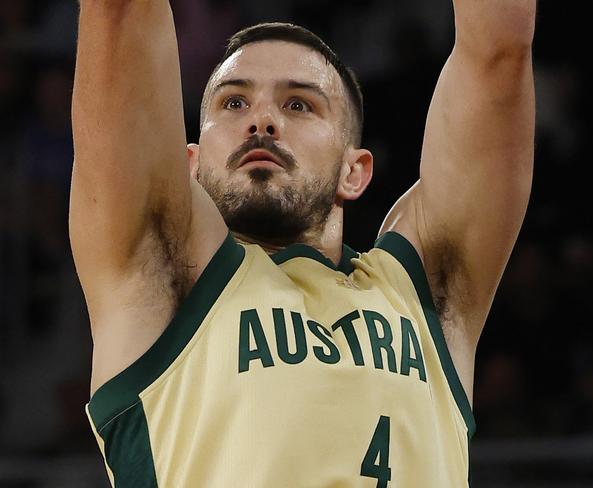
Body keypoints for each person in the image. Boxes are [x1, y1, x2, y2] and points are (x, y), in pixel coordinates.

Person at [70, 1, 535, 486]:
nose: (262, 121)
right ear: (190, 164)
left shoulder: (425, 292)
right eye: (233, 103)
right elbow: (118, 12)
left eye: (299, 104)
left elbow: (499, 49)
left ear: (353, 171)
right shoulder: (163, 278)